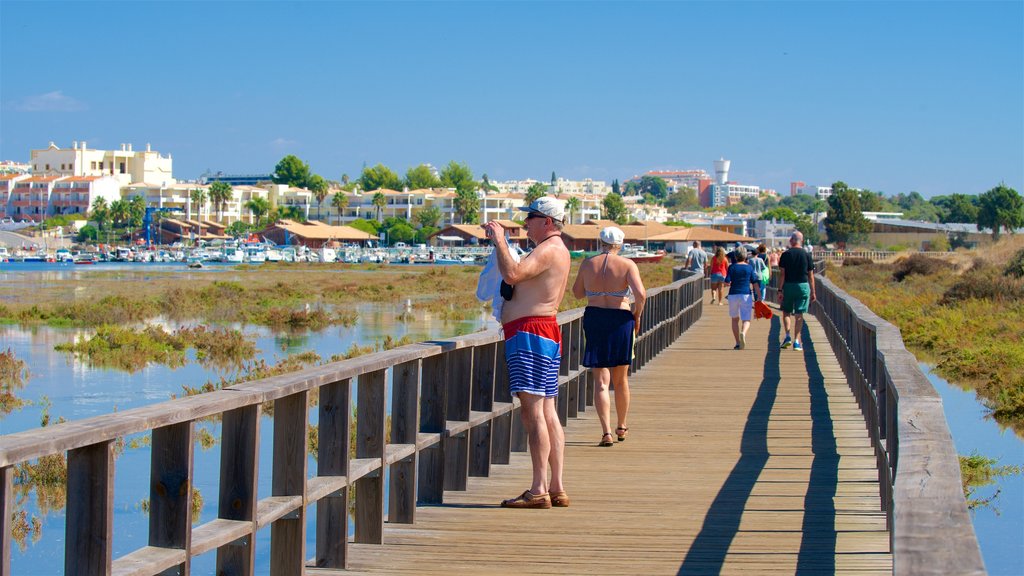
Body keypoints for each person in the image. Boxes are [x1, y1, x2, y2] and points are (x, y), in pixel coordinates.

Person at [483, 196, 571, 510]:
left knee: (533, 413)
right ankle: (556, 486)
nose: (526, 223)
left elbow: (514, 274)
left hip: (530, 332)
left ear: (547, 221)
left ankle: (538, 489)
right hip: (543, 331)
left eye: (530, 217)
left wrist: (501, 243)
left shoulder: (548, 249)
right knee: (547, 412)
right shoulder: (558, 250)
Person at [571, 226, 647, 448]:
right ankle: (621, 425)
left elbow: (577, 293)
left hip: (595, 318)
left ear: (600, 242)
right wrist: (637, 315)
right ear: (620, 244)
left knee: (601, 381)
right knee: (620, 378)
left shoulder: (588, 264)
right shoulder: (627, 265)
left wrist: (595, 289)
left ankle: (606, 431)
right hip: (620, 319)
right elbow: (640, 294)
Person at [777, 231, 816, 351]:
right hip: (803, 286)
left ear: (793, 240)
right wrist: (813, 291)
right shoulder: (807, 255)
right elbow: (811, 275)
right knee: (799, 315)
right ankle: (797, 341)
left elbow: (782, 274)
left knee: (786, 312)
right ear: (802, 241)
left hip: (788, 286)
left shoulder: (785, 255)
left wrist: (780, 290)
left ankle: (787, 336)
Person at [724, 246, 761, 349]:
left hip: (733, 294)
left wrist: (727, 283)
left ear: (735, 256)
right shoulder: (749, 267)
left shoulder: (732, 267)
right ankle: (743, 333)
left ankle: (737, 343)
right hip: (746, 294)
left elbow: (727, 281)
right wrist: (759, 297)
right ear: (745, 256)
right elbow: (755, 283)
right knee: (746, 319)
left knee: (735, 319)